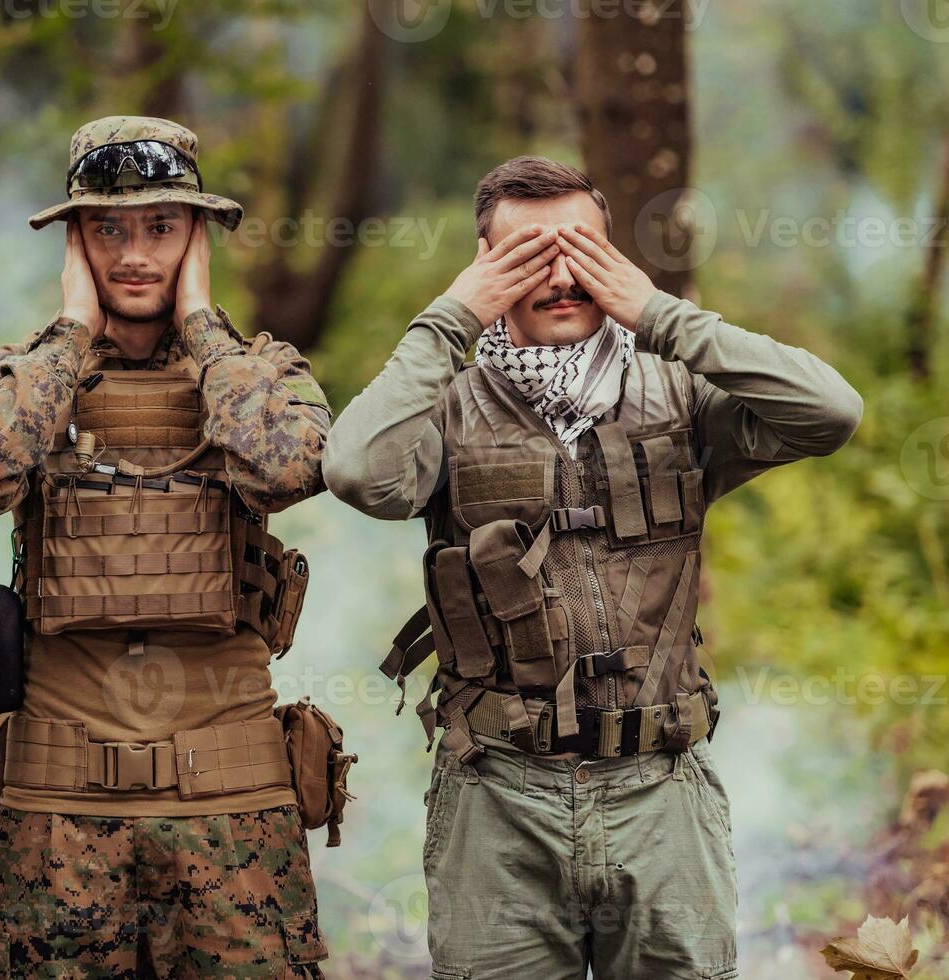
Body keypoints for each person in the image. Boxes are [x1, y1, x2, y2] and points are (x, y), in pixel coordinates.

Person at [323, 156, 863, 979]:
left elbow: (830, 412)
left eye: (580, 251)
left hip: (660, 794)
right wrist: (446, 322)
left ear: (613, 260)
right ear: (485, 270)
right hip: (496, 799)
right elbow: (358, 471)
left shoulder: (681, 396)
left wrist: (658, 312)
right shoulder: (446, 408)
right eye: (530, 256)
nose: (560, 277)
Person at [0, 116, 333, 978]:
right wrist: (70, 334)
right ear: (73, 240)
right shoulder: (28, 382)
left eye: (161, 226)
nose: (133, 252)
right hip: (58, 812)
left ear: (198, 236)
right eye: (106, 228)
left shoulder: (255, 374)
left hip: (235, 810)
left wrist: (201, 324)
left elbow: (293, 465)